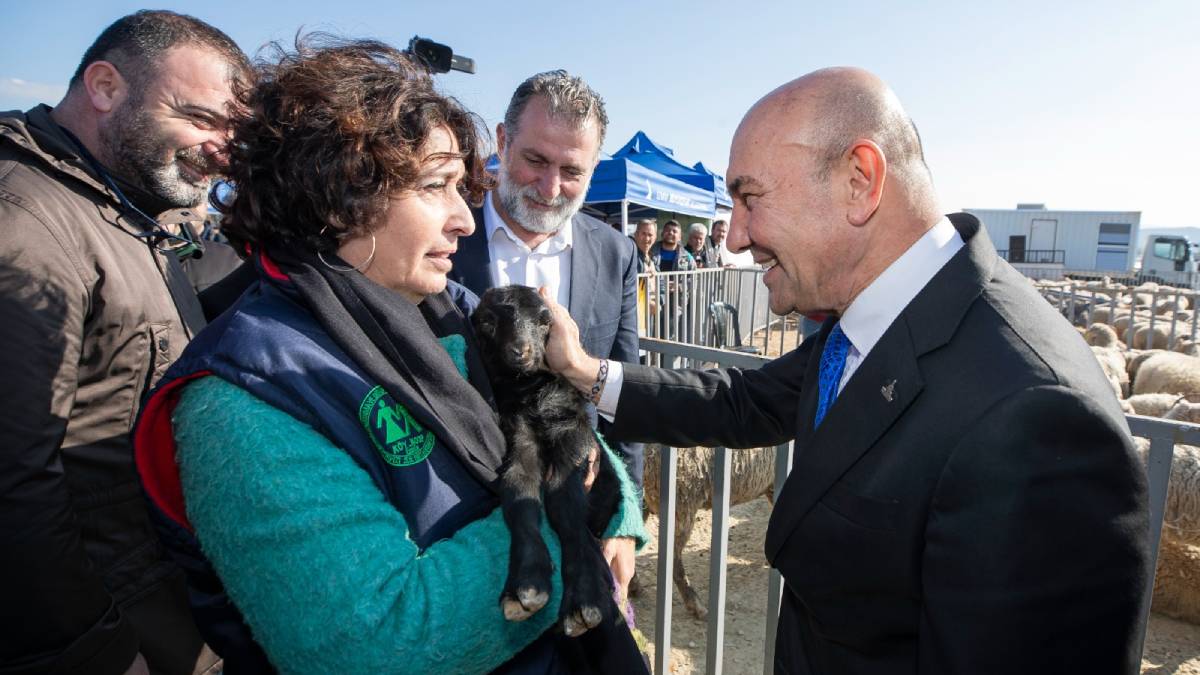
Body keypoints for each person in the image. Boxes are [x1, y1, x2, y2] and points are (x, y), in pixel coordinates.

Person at [542, 67, 1151, 674]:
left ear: (859, 181)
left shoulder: (1039, 415)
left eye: (750, 198)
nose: (736, 238)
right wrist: (586, 372)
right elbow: (745, 401)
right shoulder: (881, 319)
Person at [131, 38, 647, 674]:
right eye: (436, 186)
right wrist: (566, 521)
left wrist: (617, 509)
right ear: (342, 194)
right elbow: (379, 644)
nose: (465, 218)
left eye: (460, 187)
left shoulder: (449, 309)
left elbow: (561, 421)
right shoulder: (241, 402)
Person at [0, 11, 250, 674]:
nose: (221, 150)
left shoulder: (120, 204)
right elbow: (14, 483)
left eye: (232, 132)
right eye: (201, 118)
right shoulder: (24, 222)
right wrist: (96, 649)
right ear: (105, 86)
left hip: (164, 601)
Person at [447, 69, 644, 603]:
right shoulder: (441, 237)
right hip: (461, 529)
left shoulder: (616, 254)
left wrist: (627, 516)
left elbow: (620, 391)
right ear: (502, 141)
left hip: (579, 512)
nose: (551, 187)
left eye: (572, 170)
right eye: (536, 160)